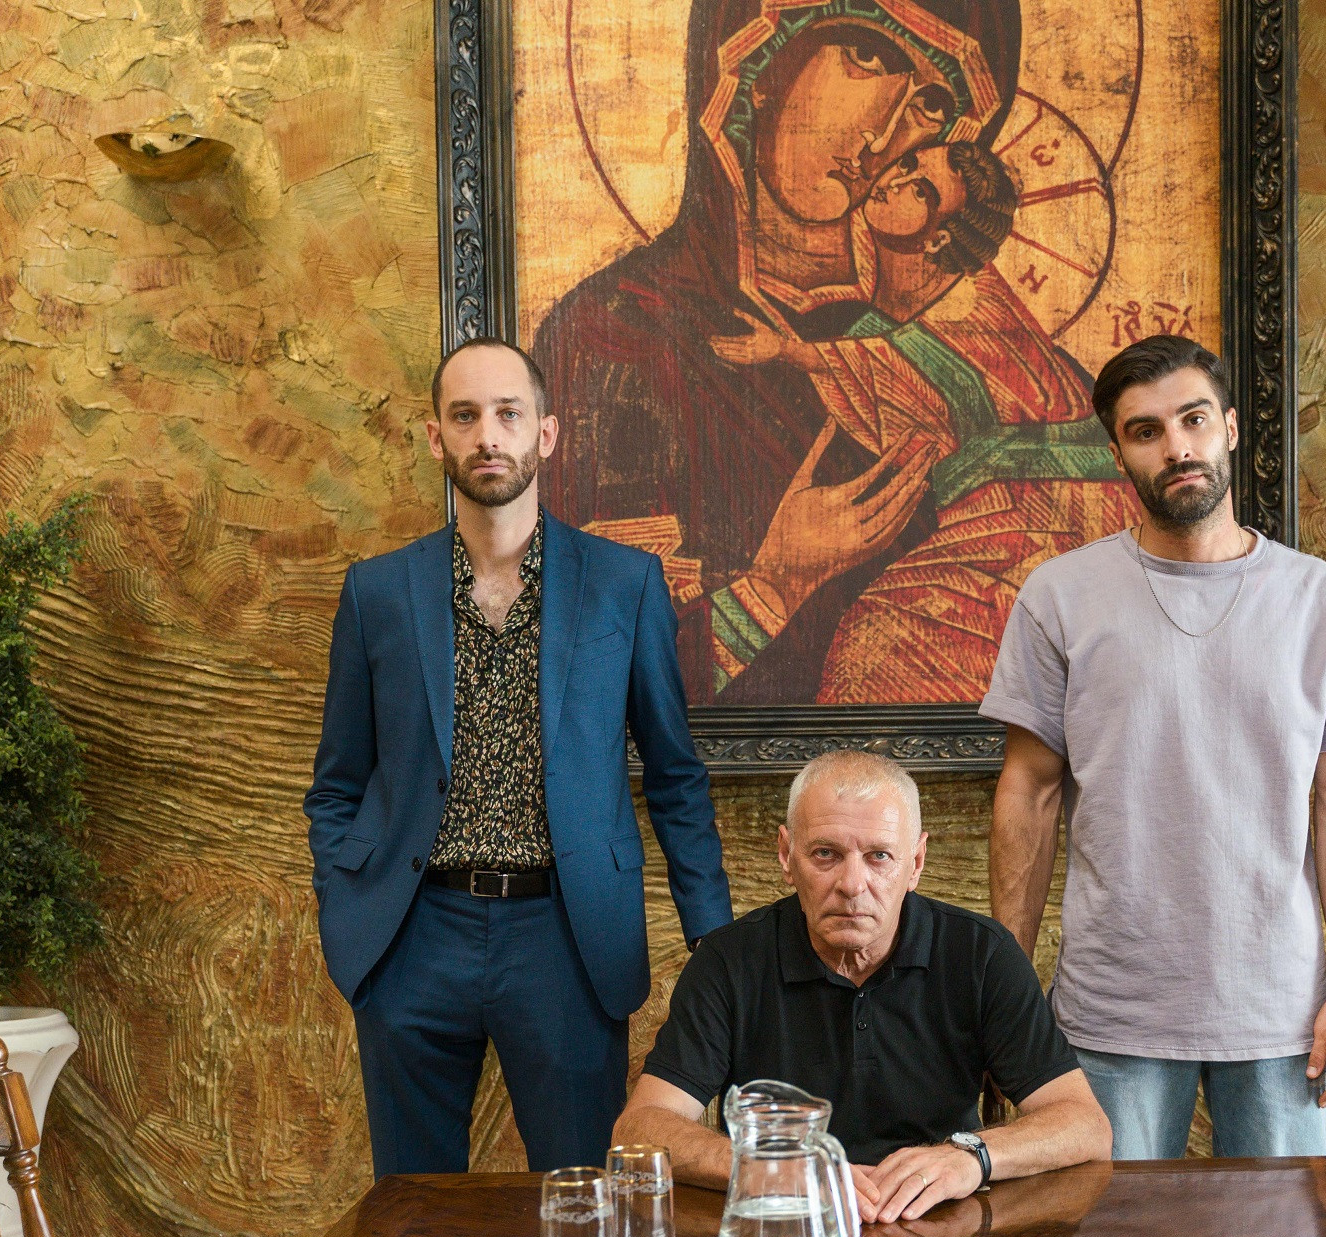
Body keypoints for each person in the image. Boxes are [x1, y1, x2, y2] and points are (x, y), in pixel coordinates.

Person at [304, 339, 733, 1176]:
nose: (488, 435)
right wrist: (346, 907)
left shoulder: (624, 585)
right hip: (413, 935)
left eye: (508, 413)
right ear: (437, 438)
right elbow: (337, 784)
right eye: (465, 416)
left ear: (547, 432)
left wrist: (717, 950)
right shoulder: (377, 593)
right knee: (414, 1215)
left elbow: (676, 779)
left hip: (567, 937)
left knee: (584, 1199)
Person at [533, 0, 1036, 704]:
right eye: (867, 56)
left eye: (930, 105)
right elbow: (594, 673)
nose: (883, 134)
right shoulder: (617, 333)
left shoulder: (959, 368)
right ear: (758, 65)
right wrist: (775, 585)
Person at [984, 334, 1326, 1159]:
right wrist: (1008, 1004)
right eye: (1146, 431)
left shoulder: (1324, 601)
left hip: (1282, 1013)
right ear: (1118, 454)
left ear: (1230, 428)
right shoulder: (1060, 597)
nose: (1176, 447)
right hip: (1112, 1010)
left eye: (1193, 419)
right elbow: (1028, 791)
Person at [705, 143, 1137, 703]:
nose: (893, 179)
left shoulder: (973, 306)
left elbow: (917, 362)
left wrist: (787, 350)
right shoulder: (884, 315)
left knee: (877, 651)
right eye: (908, 164)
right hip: (985, 533)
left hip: (1026, 536)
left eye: (920, 191)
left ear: (938, 239)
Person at [612, 750, 1111, 1223]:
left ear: (915, 863)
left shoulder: (982, 954)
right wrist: (777, 1168)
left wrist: (971, 1156)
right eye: (825, 854)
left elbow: (1085, 1125)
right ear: (786, 856)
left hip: (940, 1221)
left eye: (879, 856)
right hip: (784, 1222)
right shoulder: (728, 961)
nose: (852, 884)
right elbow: (638, 1130)